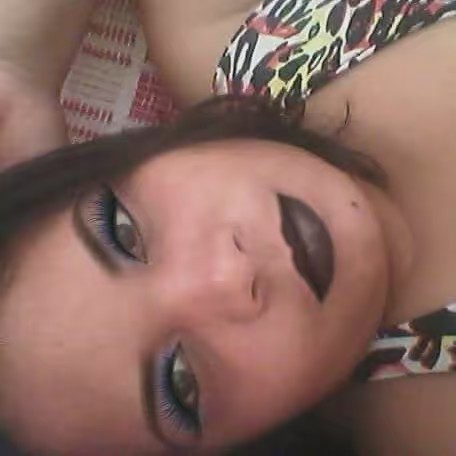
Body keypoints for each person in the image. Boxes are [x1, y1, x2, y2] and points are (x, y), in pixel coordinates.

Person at [0, 0, 454, 455]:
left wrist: (17, 67)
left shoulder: (264, 46)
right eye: (181, 382)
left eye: (123, 232)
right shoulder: (429, 423)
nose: (228, 276)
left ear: (137, 152)